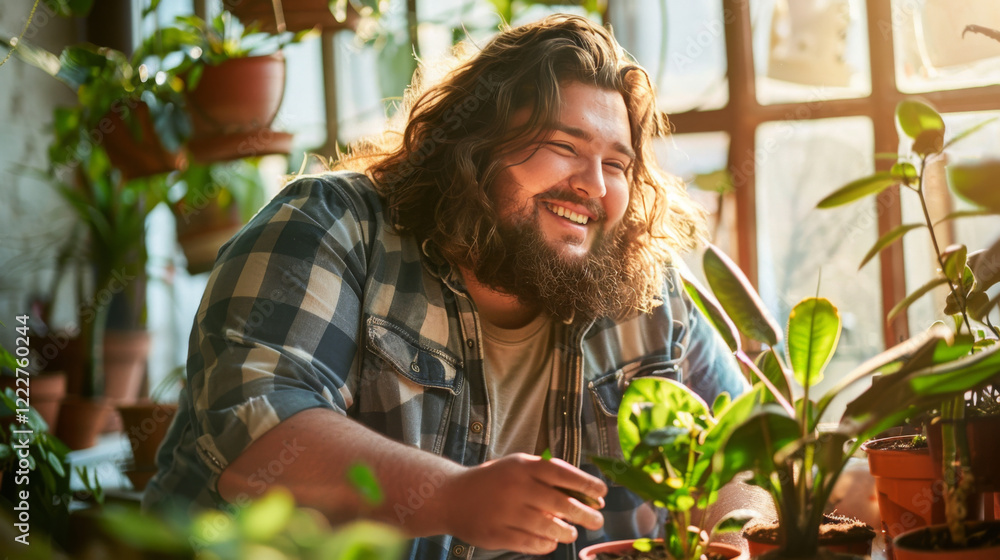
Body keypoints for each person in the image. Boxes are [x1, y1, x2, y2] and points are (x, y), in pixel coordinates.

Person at [144, 13, 747, 559]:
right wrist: (452, 496)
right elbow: (257, 431)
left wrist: (728, 541)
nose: (593, 185)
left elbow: (749, 442)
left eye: (617, 164)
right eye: (564, 146)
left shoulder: (637, 278)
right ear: (473, 148)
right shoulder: (329, 226)